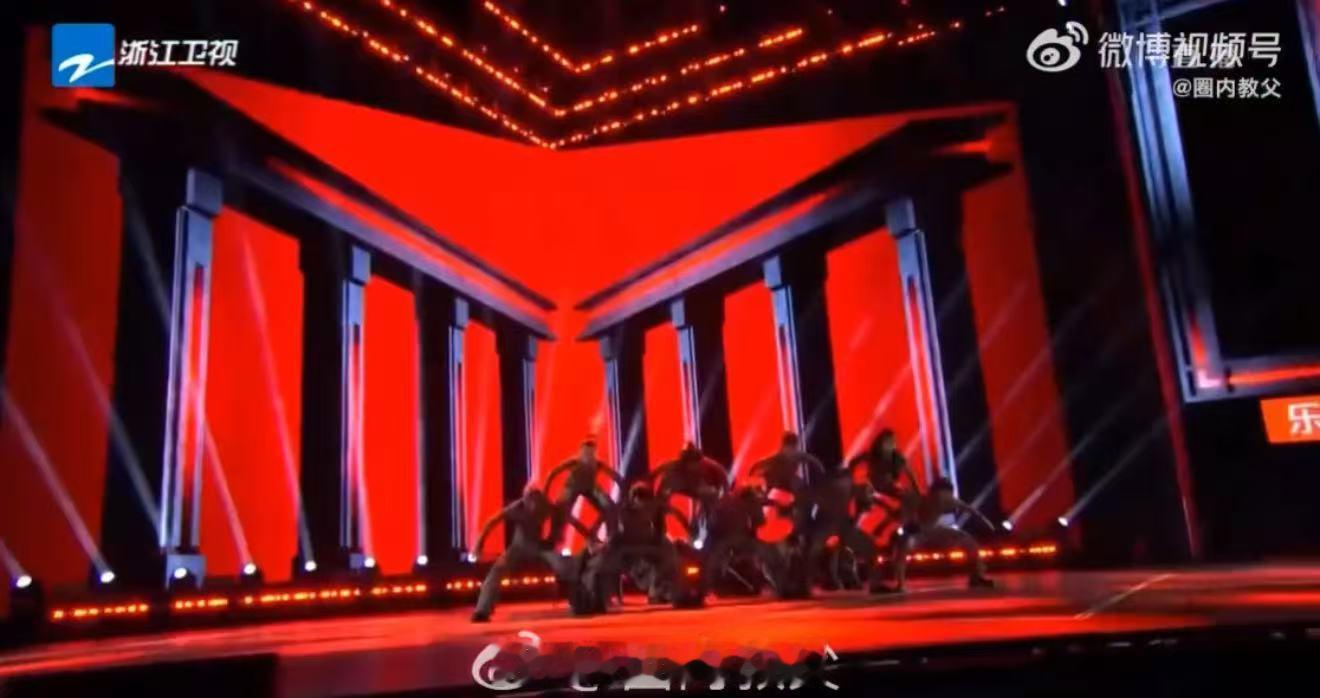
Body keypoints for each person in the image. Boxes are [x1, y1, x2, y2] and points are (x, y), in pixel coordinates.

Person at [469, 487, 590, 622]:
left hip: (538, 547)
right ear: (525, 502)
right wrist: (478, 545)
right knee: (497, 570)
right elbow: (492, 522)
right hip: (518, 547)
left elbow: (570, 520)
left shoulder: (546, 506)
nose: (533, 509)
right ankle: (482, 610)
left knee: (564, 565)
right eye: (531, 505)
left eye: (536, 506)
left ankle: (580, 604)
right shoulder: (517, 508)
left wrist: (555, 536)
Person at [874, 477, 995, 594]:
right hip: (917, 533)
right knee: (903, 546)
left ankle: (977, 576)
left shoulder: (950, 500)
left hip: (934, 530)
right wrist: (881, 527)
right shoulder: (919, 500)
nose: (943, 497)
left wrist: (988, 525)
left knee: (968, 540)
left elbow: (972, 511)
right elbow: (896, 514)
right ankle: (900, 584)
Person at [582, 482, 692, 610]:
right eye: (640, 499)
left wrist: (659, 539)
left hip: (646, 542)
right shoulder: (622, 510)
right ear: (633, 499)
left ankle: (659, 591)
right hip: (624, 544)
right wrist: (603, 544)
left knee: (669, 553)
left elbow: (660, 530)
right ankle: (600, 595)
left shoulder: (654, 508)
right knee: (602, 562)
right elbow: (612, 529)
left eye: (646, 499)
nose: (643, 504)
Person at [801, 470, 885, 592]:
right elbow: (863, 505)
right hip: (838, 525)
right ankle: (874, 584)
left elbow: (813, 508)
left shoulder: (824, 485)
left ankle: (807, 586)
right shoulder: (850, 484)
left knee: (813, 554)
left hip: (829, 525)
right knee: (869, 549)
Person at [698, 484, 785, 600]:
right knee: (771, 554)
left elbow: (711, 526)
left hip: (724, 542)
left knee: (708, 559)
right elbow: (759, 524)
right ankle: (781, 586)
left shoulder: (722, 502)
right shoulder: (752, 503)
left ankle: (705, 589)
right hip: (743, 540)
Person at [543, 437, 626, 545]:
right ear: (581, 451)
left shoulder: (597, 464)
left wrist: (623, 492)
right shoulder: (574, 462)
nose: (588, 455)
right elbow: (553, 473)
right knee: (561, 505)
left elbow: (616, 477)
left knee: (609, 505)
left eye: (591, 452)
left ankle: (611, 534)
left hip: (590, 487)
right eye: (586, 451)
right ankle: (556, 533)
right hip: (572, 486)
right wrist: (545, 490)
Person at [747, 432, 826, 540]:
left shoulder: (776, 457)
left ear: (783, 443)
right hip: (791, 491)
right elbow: (817, 465)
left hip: (776, 491)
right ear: (795, 444)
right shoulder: (799, 456)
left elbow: (756, 467)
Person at [847, 429, 922, 535]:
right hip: (873, 487)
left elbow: (910, 474)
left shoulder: (897, 458)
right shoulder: (872, 456)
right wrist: (851, 477)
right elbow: (854, 462)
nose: (889, 445)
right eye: (886, 442)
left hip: (889, 487)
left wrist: (917, 492)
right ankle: (854, 527)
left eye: (892, 442)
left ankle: (888, 525)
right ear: (879, 443)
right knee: (866, 496)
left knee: (910, 499)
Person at [651, 442, 730, 539]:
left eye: (694, 463)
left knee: (711, 497)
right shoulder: (673, 466)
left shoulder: (709, 466)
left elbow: (723, 479)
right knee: (663, 495)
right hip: (680, 484)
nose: (691, 467)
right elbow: (655, 473)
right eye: (688, 463)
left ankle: (710, 528)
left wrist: (724, 497)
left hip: (699, 488)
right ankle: (659, 529)